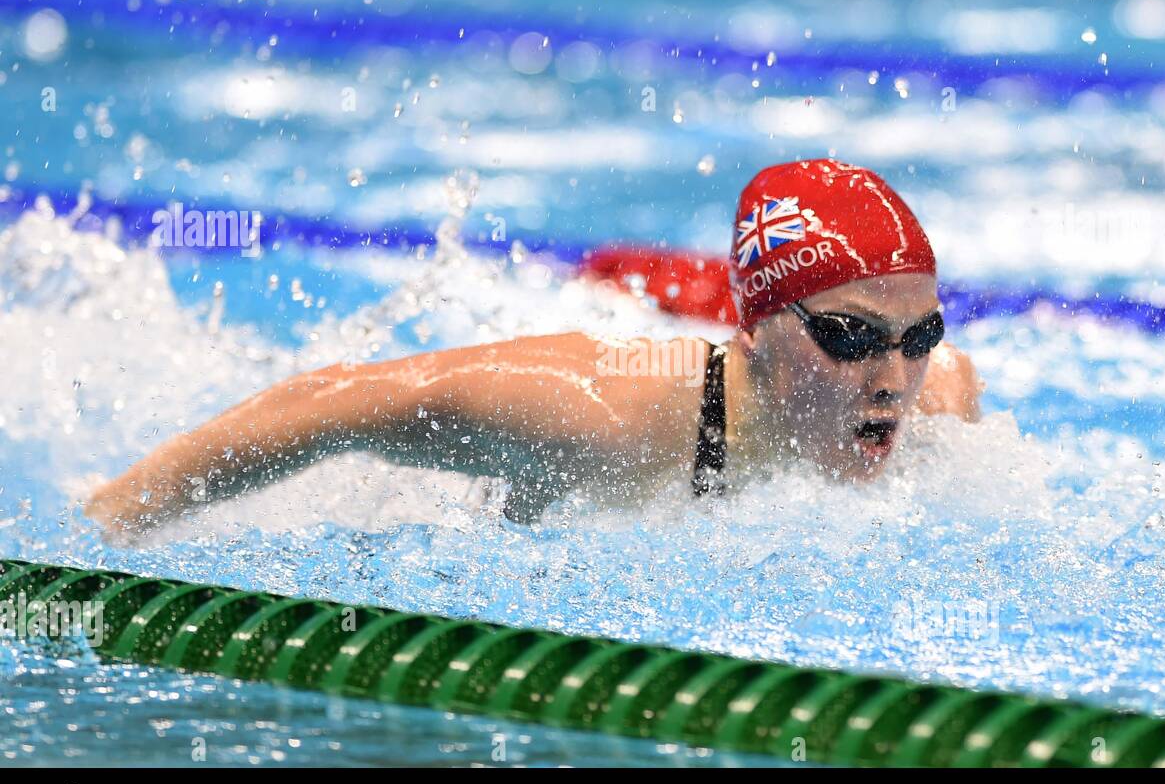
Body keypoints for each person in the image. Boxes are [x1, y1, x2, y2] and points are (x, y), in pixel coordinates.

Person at [86, 158, 982, 540]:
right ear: (754, 325)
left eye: (920, 337)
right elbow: (335, 400)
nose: (895, 379)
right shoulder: (605, 409)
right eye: (851, 337)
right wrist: (110, 523)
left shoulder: (941, 401)